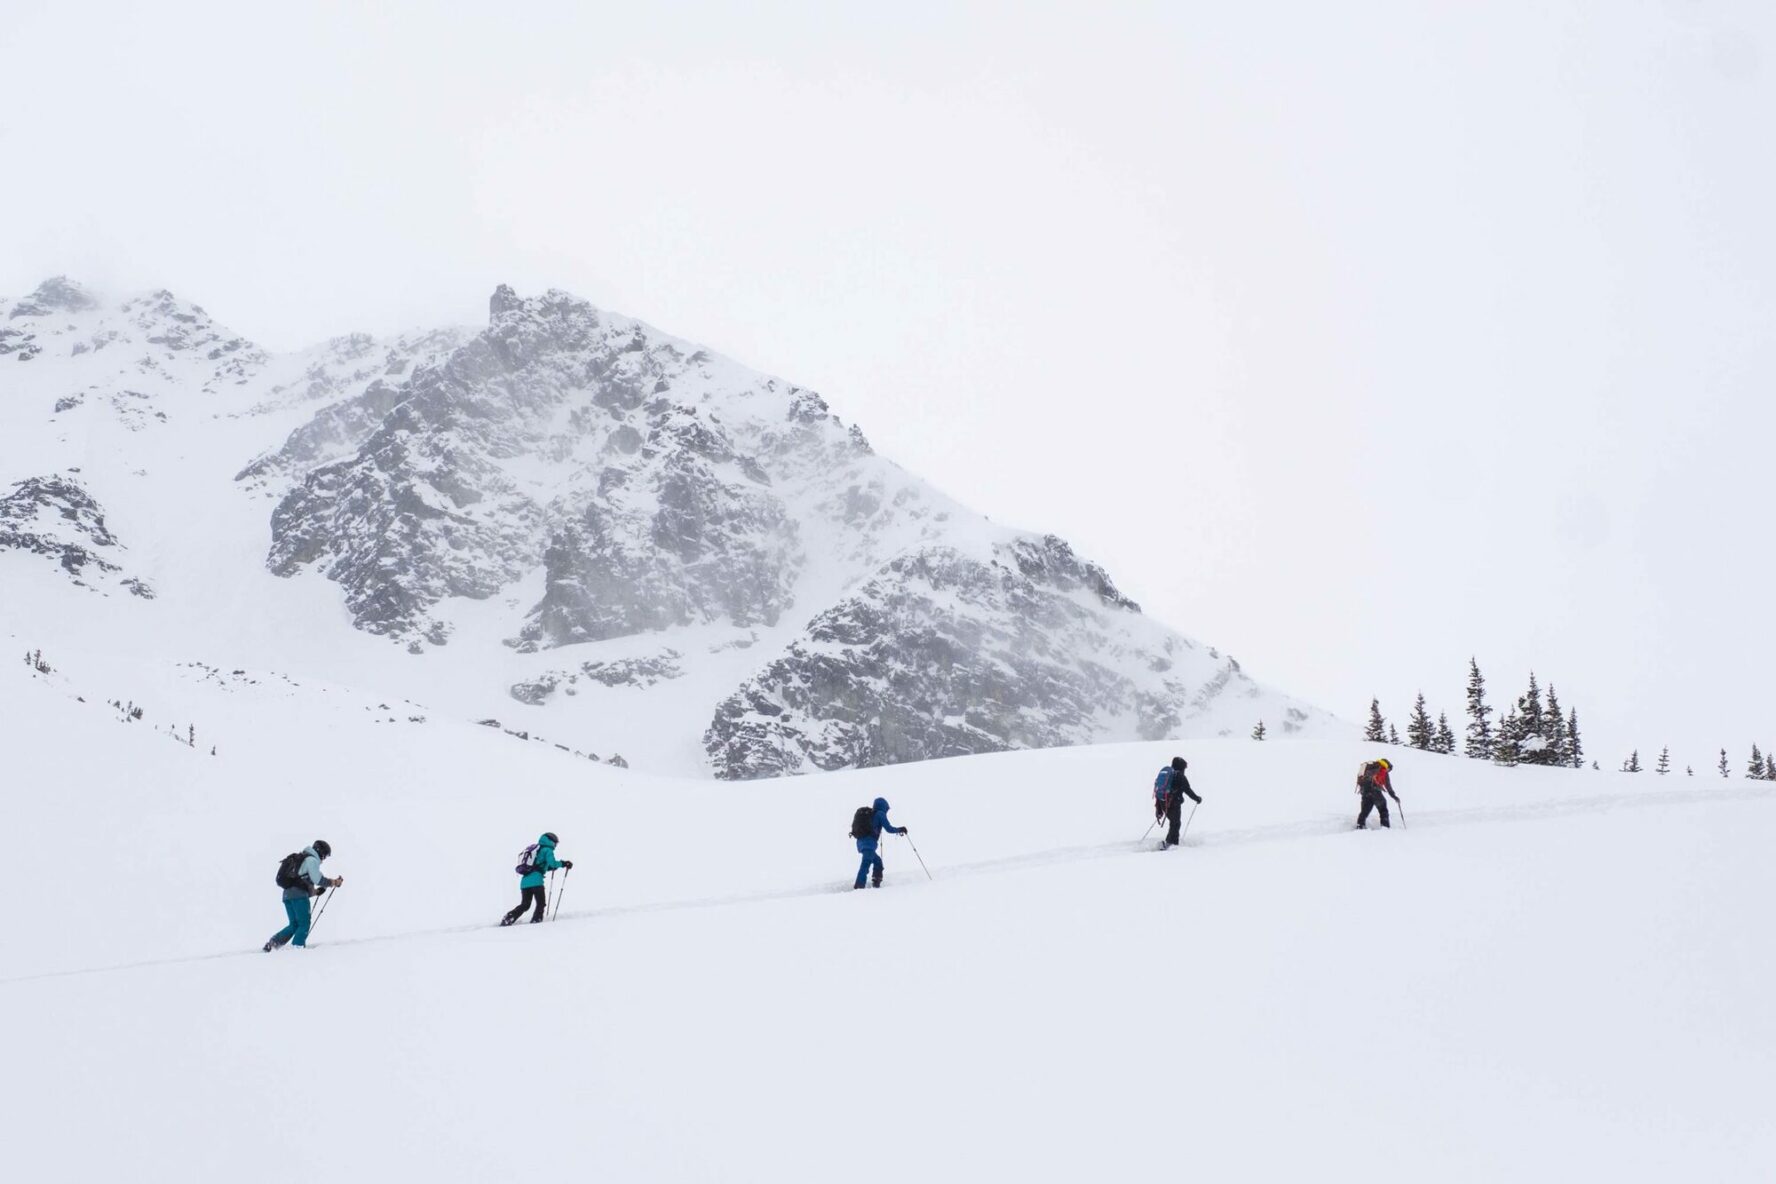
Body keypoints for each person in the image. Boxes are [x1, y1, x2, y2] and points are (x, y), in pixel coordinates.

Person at [264, 840, 342, 951]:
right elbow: (317, 879)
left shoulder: (303, 859)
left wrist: (315, 892)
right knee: (304, 923)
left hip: (287, 896)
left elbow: (300, 882)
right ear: (320, 852)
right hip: (298, 896)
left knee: (294, 924)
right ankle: (297, 948)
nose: (323, 860)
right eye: (324, 856)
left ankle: (273, 943)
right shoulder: (312, 860)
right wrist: (334, 882)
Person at [502, 832, 572, 925]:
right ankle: (536, 922)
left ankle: (508, 918)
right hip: (536, 882)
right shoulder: (548, 850)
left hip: (524, 882)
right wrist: (563, 863)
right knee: (541, 903)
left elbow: (542, 867)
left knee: (525, 905)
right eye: (555, 843)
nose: (556, 845)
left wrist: (552, 867)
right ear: (551, 841)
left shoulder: (537, 850)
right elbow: (553, 863)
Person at [853, 797, 906, 889]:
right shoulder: (880, 814)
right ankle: (859, 887)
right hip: (869, 843)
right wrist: (900, 829)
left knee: (878, 862)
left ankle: (876, 882)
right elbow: (889, 829)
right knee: (865, 864)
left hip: (860, 842)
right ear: (884, 806)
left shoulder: (871, 814)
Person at [1155, 756, 1203, 848]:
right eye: (1184, 767)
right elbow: (1187, 790)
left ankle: (1170, 843)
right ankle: (1171, 844)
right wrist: (1197, 799)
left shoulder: (1169, 775)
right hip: (1173, 803)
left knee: (1174, 823)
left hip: (1163, 801)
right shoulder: (1180, 776)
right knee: (1176, 823)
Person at [1356, 758, 1399, 829]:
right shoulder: (1383, 770)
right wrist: (1394, 796)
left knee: (1364, 811)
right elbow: (1388, 786)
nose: (1388, 771)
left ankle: (1360, 826)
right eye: (1389, 769)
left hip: (1365, 791)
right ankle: (1385, 827)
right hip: (1375, 791)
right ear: (1387, 766)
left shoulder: (1369, 767)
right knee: (1383, 809)